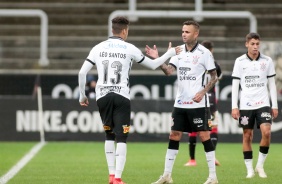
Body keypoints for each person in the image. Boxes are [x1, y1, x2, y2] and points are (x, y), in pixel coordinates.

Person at [78, 16, 180, 184]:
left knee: (109, 135)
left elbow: (82, 73)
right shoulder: (129, 48)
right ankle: (118, 177)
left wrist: (82, 95)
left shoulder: (97, 48)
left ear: (112, 30)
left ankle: (111, 176)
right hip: (121, 96)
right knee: (122, 138)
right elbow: (154, 65)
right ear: (124, 31)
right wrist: (169, 53)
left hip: (102, 96)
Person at [146, 20, 219, 184]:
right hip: (180, 103)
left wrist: (202, 92)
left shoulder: (205, 53)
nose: (183, 34)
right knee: (174, 134)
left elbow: (214, 77)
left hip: (198, 103)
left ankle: (213, 177)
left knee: (204, 135)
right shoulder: (177, 51)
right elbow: (168, 71)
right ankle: (167, 176)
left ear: (196, 34)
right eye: (182, 31)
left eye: (187, 32)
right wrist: (159, 59)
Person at [231, 32, 278, 179]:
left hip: (263, 103)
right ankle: (249, 169)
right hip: (246, 104)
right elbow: (235, 85)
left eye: (257, 44)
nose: (255, 46)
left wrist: (274, 105)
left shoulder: (267, 61)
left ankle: (260, 165)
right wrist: (234, 106)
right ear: (247, 44)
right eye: (252, 44)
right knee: (247, 135)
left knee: (267, 132)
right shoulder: (239, 61)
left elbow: (272, 85)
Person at [184, 40, 222, 167]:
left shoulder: (195, 62)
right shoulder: (215, 65)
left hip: (196, 100)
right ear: (211, 50)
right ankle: (213, 157)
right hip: (211, 101)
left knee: (193, 131)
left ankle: (192, 160)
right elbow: (217, 78)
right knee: (214, 129)